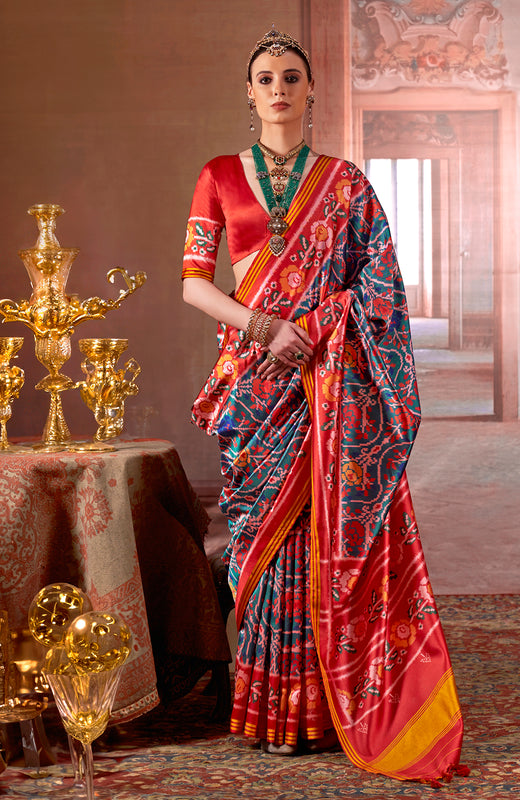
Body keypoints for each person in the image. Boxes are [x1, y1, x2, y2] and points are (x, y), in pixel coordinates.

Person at [181, 26, 465, 784]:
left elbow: (380, 293)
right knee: (260, 542)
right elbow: (192, 283)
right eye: (265, 76)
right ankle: (265, 706)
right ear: (249, 92)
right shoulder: (217, 175)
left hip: (325, 387)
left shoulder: (347, 185)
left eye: (292, 77)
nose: (278, 88)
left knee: (317, 538)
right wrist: (266, 326)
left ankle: (317, 707)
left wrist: (314, 327)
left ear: (310, 92)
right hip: (254, 382)